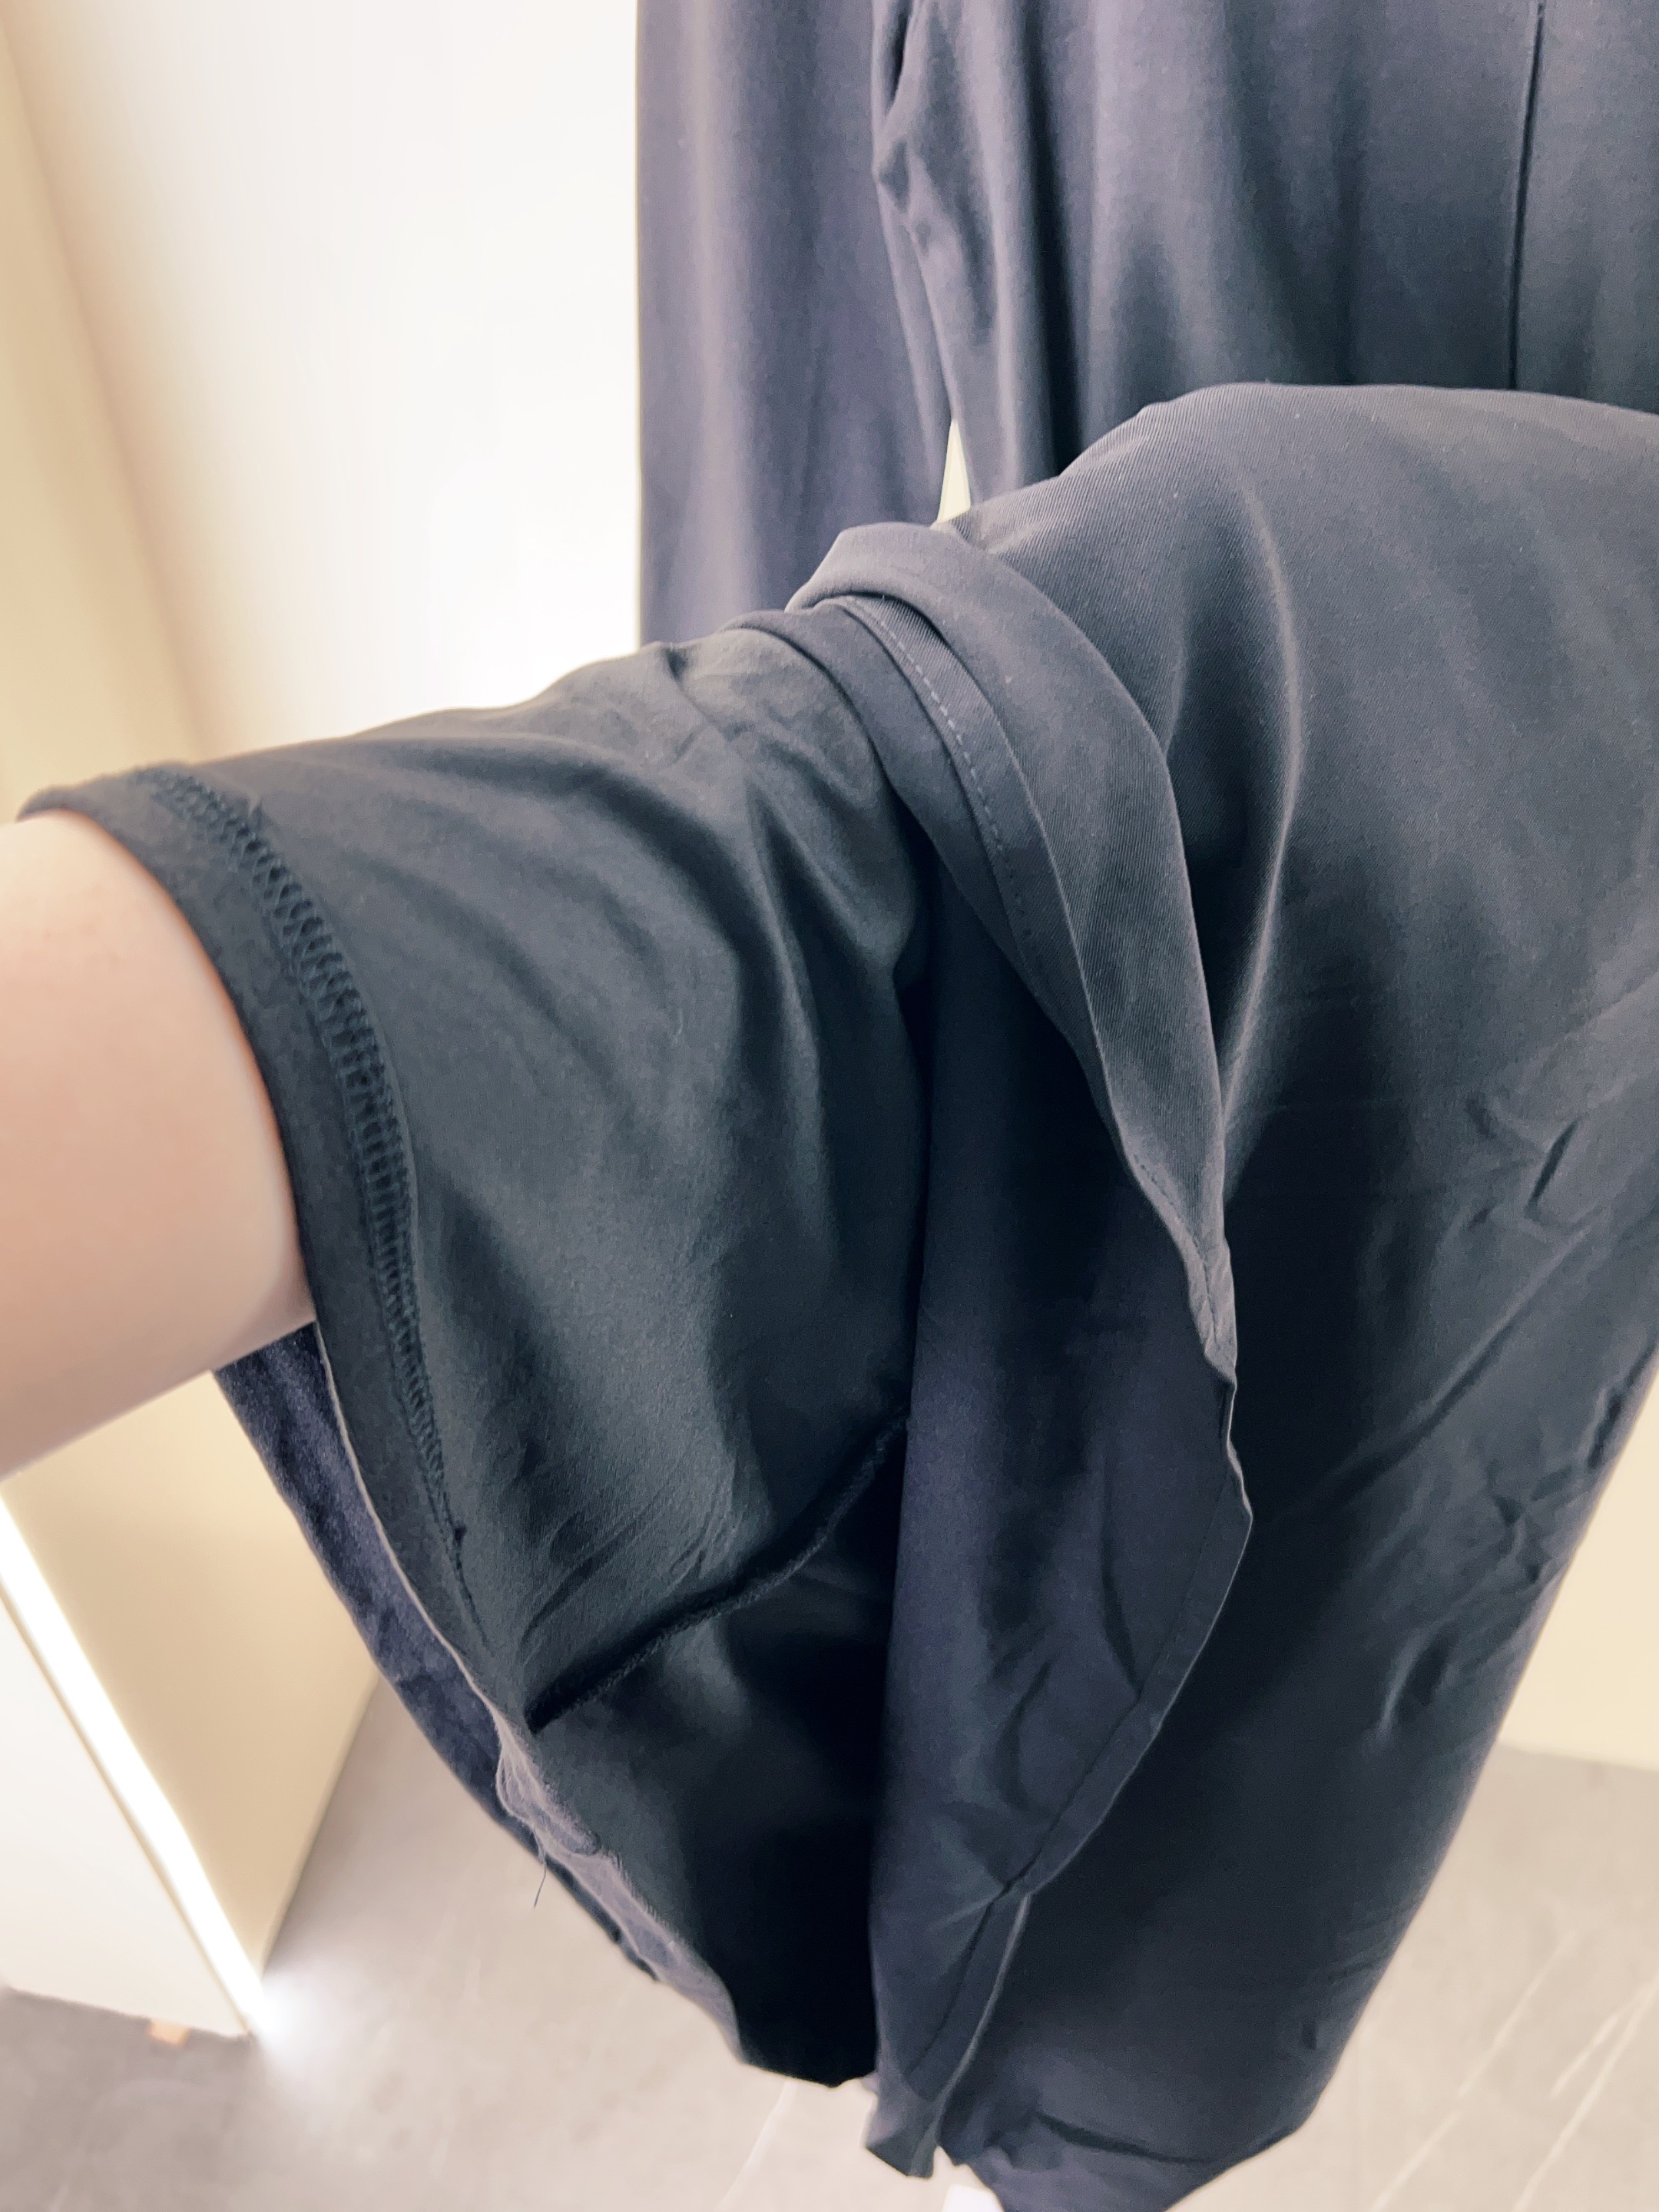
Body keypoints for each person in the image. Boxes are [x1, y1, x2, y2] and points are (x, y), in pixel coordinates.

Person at [5, 378, 1657, 2211]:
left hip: (1484, 769)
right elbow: (788, 408)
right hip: (1177, 647)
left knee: (1319, 1570)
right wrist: (795, 721)